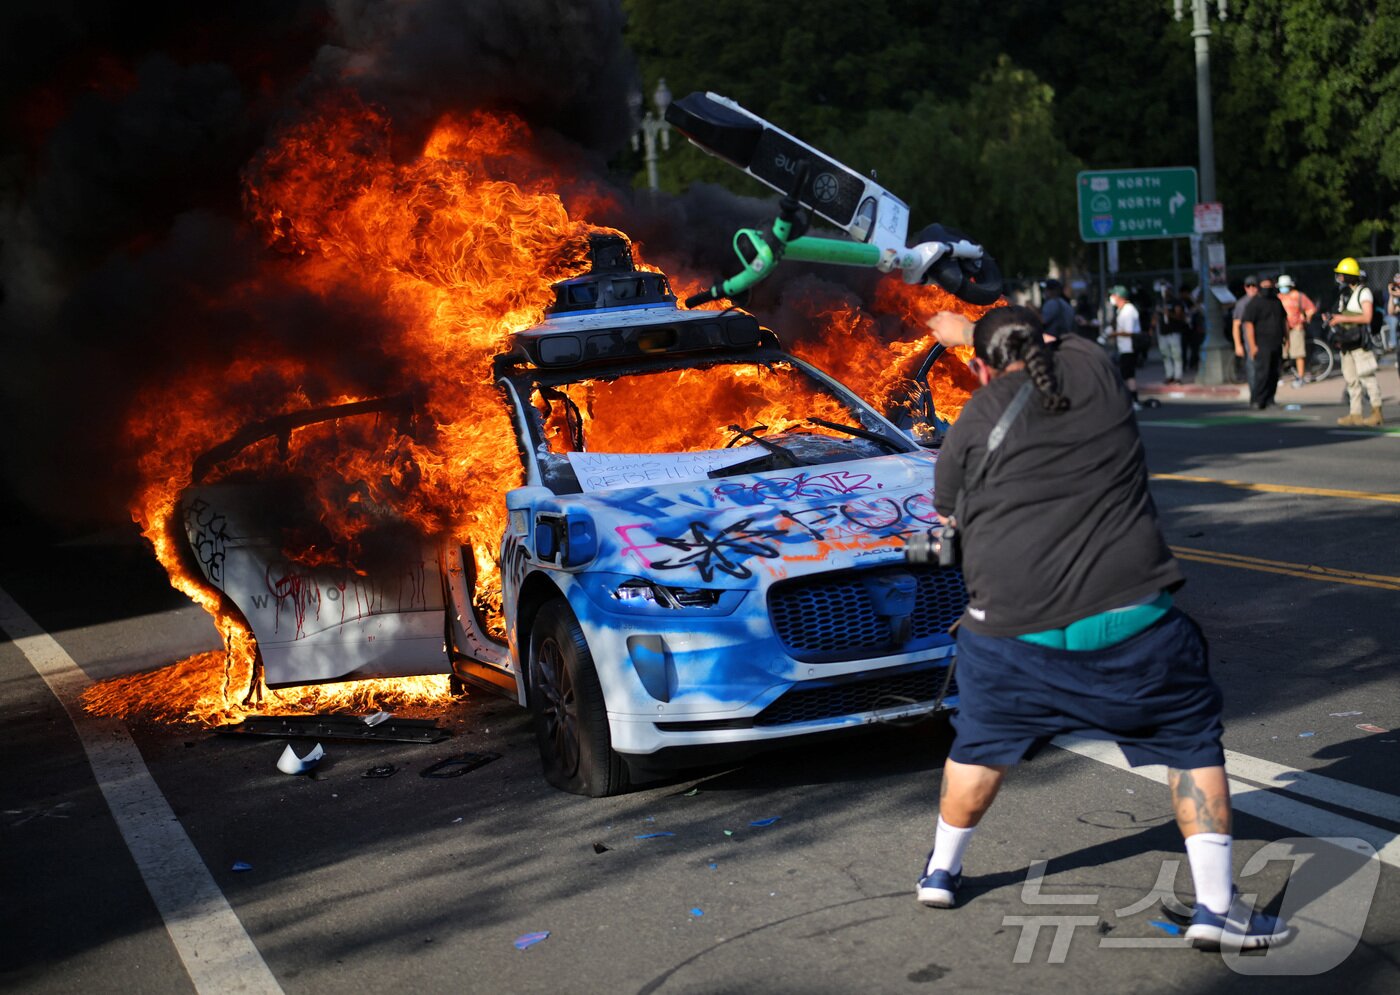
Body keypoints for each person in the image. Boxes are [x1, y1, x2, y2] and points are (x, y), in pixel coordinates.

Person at [917, 305, 1293, 951]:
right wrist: (977, 325)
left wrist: (957, 339)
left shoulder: (974, 419)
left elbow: (947, 510)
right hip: (1133, 628)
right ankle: (1216, 906)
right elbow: (1060, 342)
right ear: (1050, 342)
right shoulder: (1097, 375)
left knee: (979, 745)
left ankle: (941, 871)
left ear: (982, 365)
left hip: (1009, 638)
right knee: (1188, 740)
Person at [1329, 257, 1383, 426]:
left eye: (1343, 275)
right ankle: (1355, 413)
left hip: (1360, 342)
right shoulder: (1345, 294)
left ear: (1351, 276)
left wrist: (1340, 318)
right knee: (1351, 379)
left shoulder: (1363, 292)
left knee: (1367, 376)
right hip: (1346, 343)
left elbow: (1367, 317)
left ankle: (1376, 412)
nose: (1340, 278)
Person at [1240, 275, 1287, 409]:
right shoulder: (1255, 303)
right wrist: (1252, 345)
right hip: (1262, 343)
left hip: (1276, 342)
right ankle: (1257, 399)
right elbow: (1248, 325)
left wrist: (1286, 339)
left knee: (1274, 372)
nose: (1267, 288)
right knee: (1262, 373)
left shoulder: (1276, 301)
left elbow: (1284, 320)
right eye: (1264, 285)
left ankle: (1270, 399)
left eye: (1269, 285)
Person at [1276, 274, 1317, 387]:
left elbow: (1311, 308)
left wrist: (1305, 318)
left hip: (1296, 328)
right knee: (1281, 354)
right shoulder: (1278, 297)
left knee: (1299, 354)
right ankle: (1278, 376)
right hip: (1282, 329)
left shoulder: (1298, 296)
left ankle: (1300, 377)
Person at [1107, 285, 1142, 409]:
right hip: (1123, 347)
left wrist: (1113, 333)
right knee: (1125, 374)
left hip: (1129, 347)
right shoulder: (1121, 310)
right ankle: (1129, 399)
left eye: (1114, 295)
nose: (1112, 298)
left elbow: (1129, 331)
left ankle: (1134, 400)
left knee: (1128, 374)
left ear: (1119, 296)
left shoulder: (1128, 310)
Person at [1154, 285, 1190, 385]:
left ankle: (1178, 376)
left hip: (1174, 332)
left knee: (1177, 355)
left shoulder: (1176, 302)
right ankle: (1169, 375)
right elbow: (1156, 316)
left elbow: (1180, 316)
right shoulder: (1160, 303)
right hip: (1163, 332)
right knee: (1166, 355)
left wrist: (1168, 314)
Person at [1231, 275, 1259, 385]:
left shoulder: (1263, 300)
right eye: (1248, 286)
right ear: (1245, 288)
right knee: (1252, 371)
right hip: (1250, 343)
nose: (1251, 288)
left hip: (1264, 340)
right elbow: (1236, 325)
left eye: (1254, 285)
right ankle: (1255, 397)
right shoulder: (1241, 304)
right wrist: (1238, 345)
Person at [1384, 274, 1400, 354]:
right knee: (1393, 320)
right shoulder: (1388, 293)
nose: (1396, 289)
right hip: (1390, 317)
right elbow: (1390, 312)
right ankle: (1393, 344)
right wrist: (1391, 294)